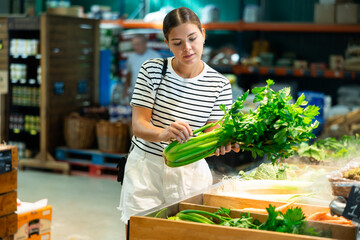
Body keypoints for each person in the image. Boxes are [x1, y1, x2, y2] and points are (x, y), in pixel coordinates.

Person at [117, 7, 240, 231]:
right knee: (140, 231)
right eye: (177, 43)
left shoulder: (219, 84)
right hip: (147, 171)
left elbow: (212, 137)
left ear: (203, 33)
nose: (187, 48)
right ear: (167, 43)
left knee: (184, 234)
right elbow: (138, 125)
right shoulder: (153, 70)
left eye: (192, 38)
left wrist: (220, 146)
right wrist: (162, 133)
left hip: (190, 175)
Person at [123, 34, 161, 102]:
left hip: (151, 96)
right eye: (134, 45)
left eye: (138, 44)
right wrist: (125, 92)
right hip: (135, 95)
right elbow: (129, 75)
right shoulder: (131, 57)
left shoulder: (155, 56)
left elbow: (160, 77)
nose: (135, 47)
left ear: (144, 44)